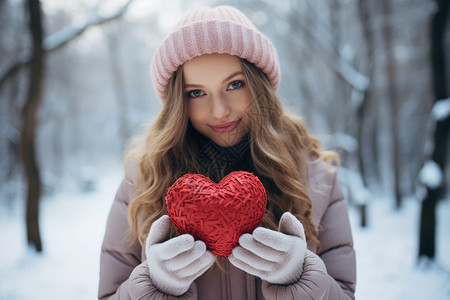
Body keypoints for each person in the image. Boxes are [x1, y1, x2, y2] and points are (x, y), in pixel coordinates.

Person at [98, 5, 356, 300]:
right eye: (196, 92)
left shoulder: (315, 177)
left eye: (235, 85)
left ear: (259, 84)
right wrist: (155, 286)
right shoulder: (142, 182)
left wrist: (299, 279)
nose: (219, 111)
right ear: (177, 102)